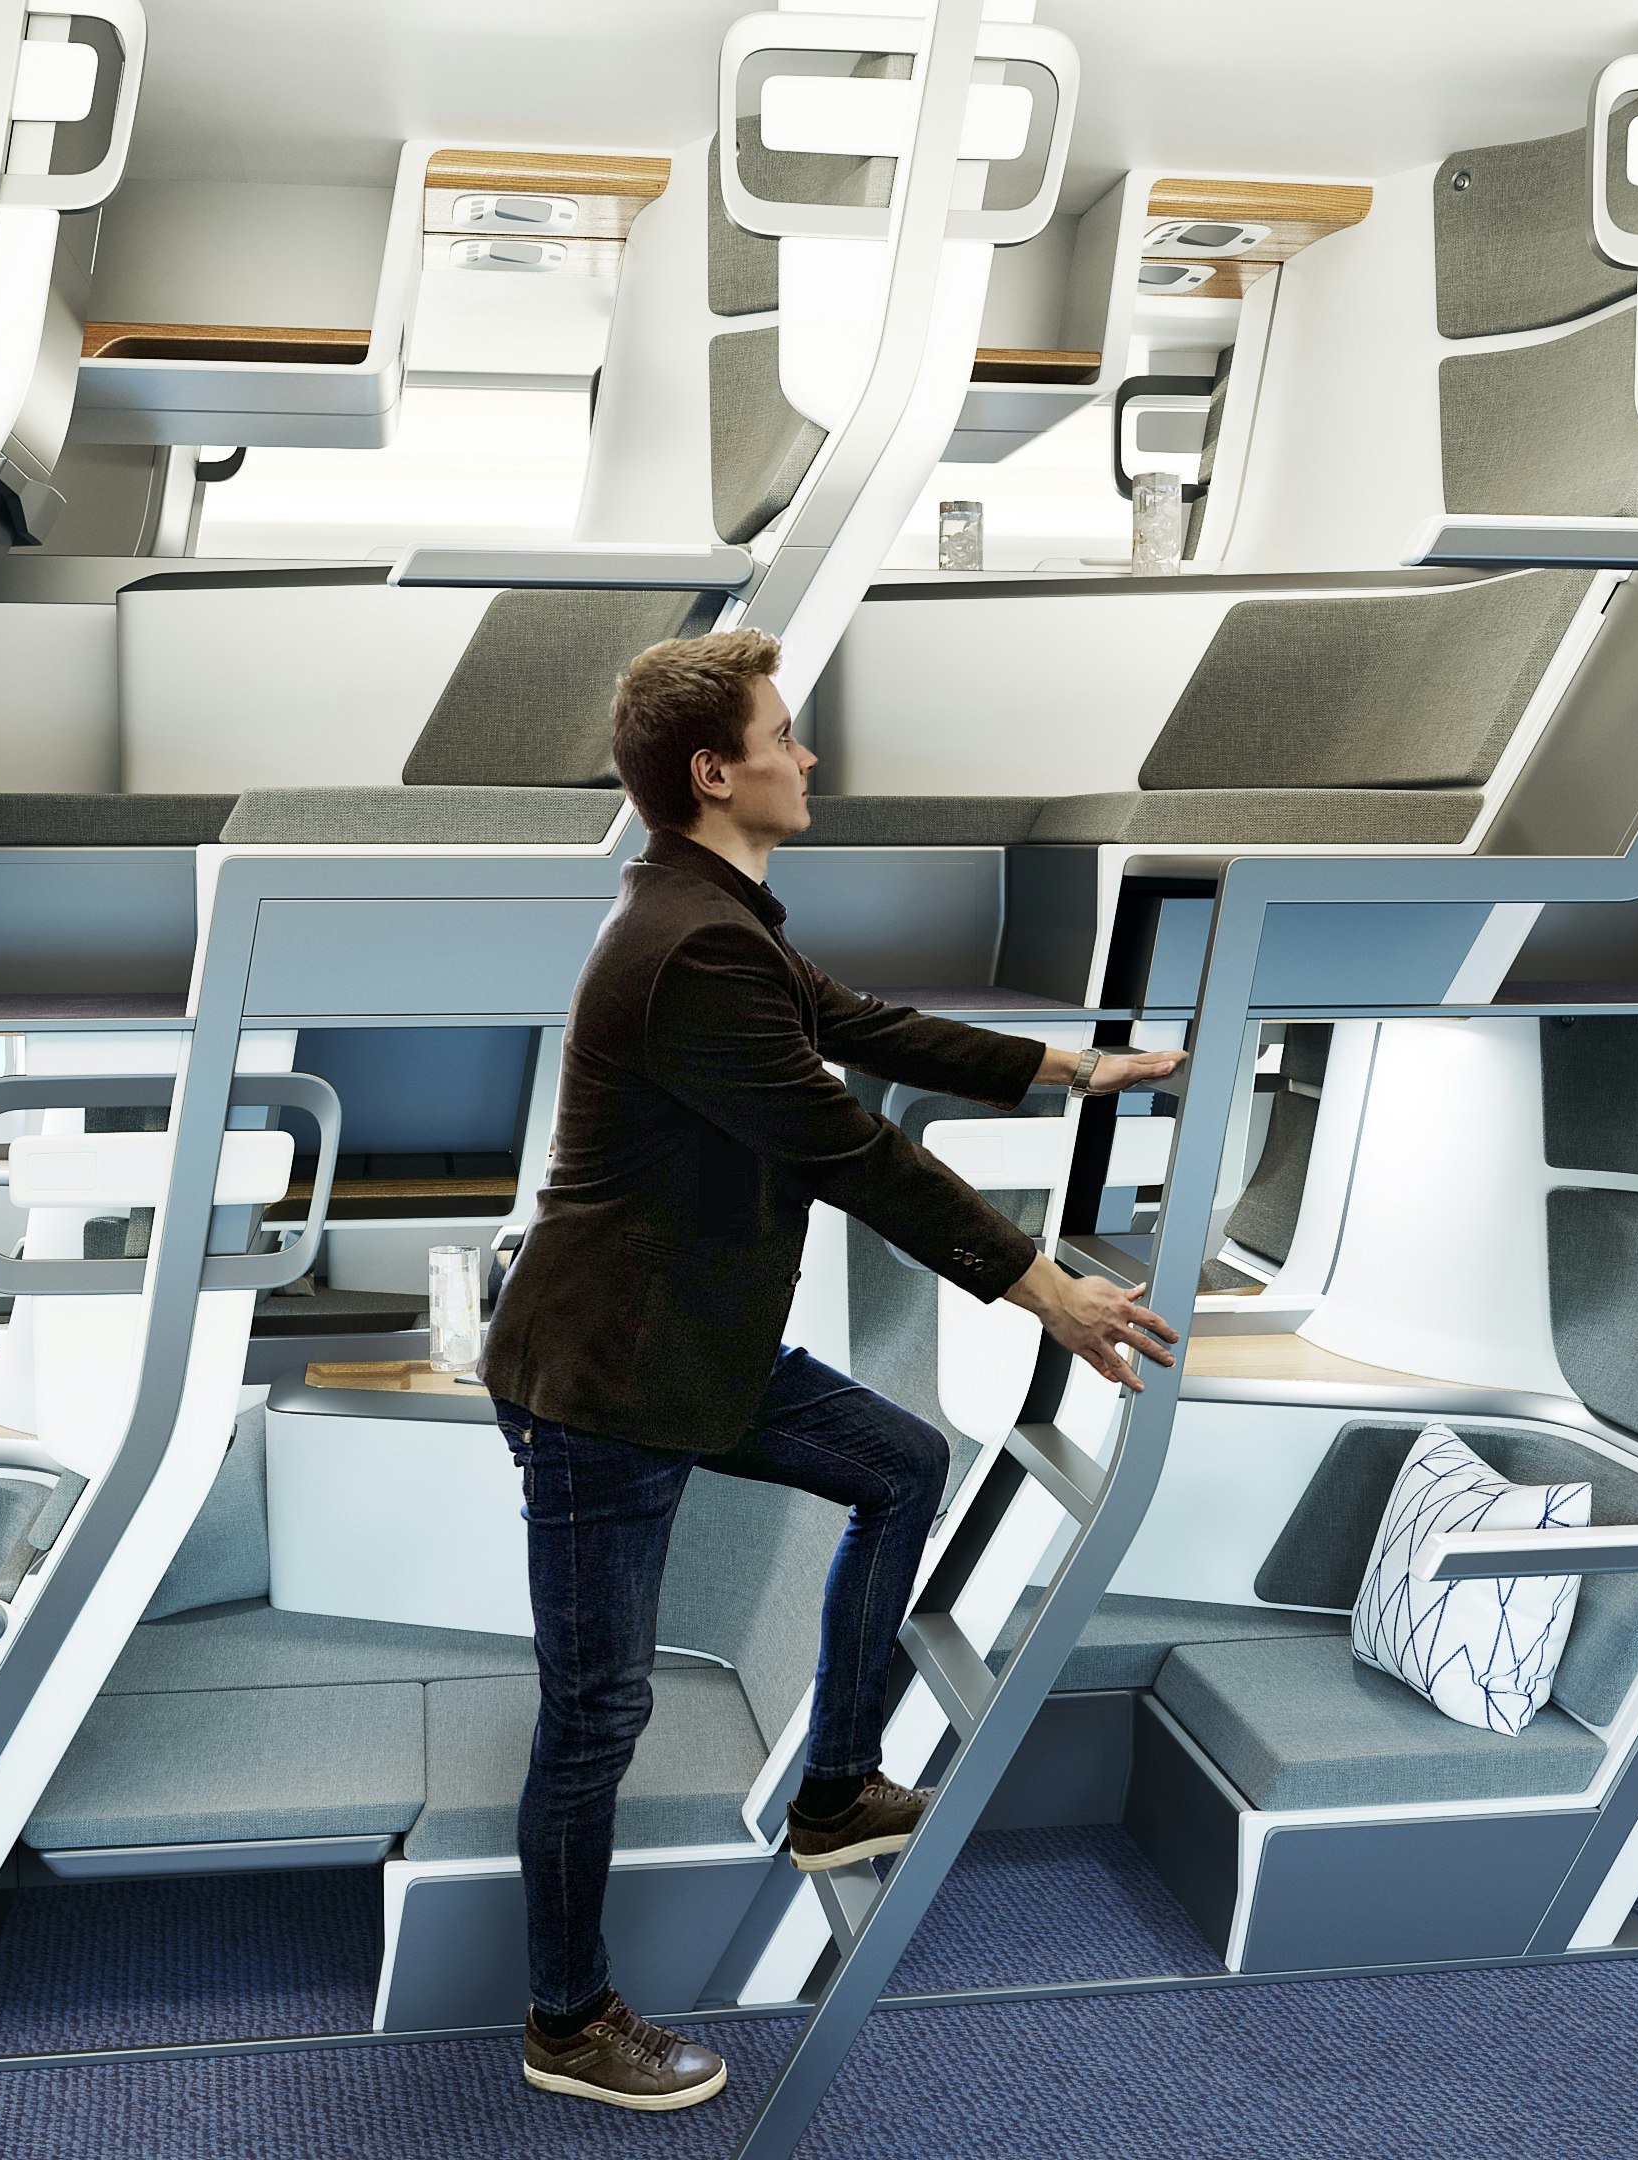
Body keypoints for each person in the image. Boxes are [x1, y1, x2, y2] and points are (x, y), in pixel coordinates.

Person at [478, 628, 1185, 2111]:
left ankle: (835, 1790)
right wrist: (1048, 1293)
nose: (809, 757)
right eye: (784, 736)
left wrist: (1075, 1068)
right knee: (596, 1715)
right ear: (713, 771)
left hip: (691, 1350)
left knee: (900, 1464)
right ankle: (567, 2021)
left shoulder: (716, 917)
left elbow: (860, 1029)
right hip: (608, 1380)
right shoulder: (691, 947)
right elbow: (855, 1154)